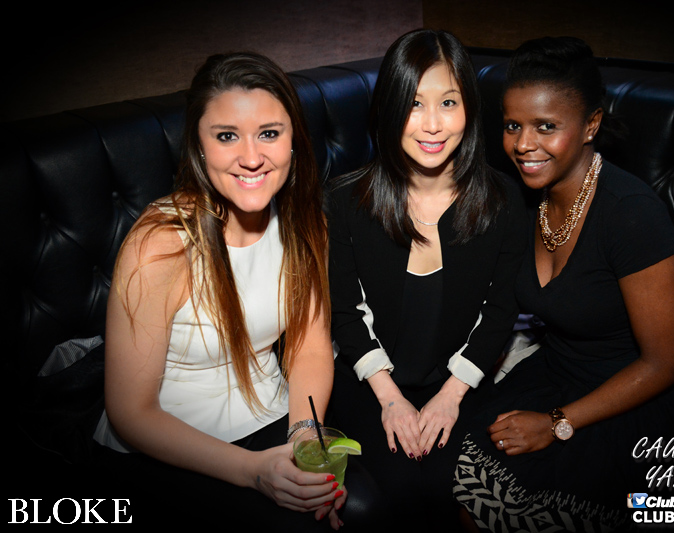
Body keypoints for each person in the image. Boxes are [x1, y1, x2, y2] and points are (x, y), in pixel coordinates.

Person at [454, 37, 674, 532]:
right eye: (513, 125)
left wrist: (558, 423)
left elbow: (665, 363)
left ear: (591, 125)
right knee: (455, 480)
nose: (523, 144)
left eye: (546, 126)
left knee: (510, 513)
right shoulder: (524, 199)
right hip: (560, 371)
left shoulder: (630, 214)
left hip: (640, 394)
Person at [91, 52, 345, 530]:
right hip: (166, 443)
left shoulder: (308, 224)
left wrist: (303, 438)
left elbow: (310, 347)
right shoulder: (160, 243)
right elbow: (131, 413)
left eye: (269, 133)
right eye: (227, 135)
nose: (251, 157)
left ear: (294, 139)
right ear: (199, 146)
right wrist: (253, 472)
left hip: (272, 416)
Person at [326, 29, 526, 530]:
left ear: (470, 110)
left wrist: (451, 395)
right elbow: (344, 312)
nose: (433, 124)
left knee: (449, 486)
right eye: (414, 104)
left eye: (449, 102)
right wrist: (390, 399)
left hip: (460, 380)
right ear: (388, 109)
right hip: (368, 380)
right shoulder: (345, 201)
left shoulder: (504, 200)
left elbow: (501, 311)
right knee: (396, 487)